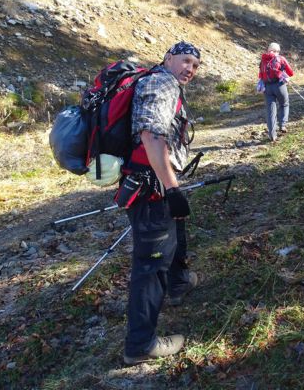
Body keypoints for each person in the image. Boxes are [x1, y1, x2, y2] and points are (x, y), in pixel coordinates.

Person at [122, 41, 201, 366]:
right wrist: (172, 189)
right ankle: (140, 345)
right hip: (150, 188)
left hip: (155, 183)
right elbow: (151, 136)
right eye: (185, 60)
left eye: (195, 65)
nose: (190, 69)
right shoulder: (160, 82)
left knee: (175, 232)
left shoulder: (164, 81)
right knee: (151, 265)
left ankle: (179, 283)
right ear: (168, 58)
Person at [258, 42, 294, 142]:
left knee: (270, 111)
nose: (278, 52)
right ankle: (282, 125)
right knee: (284, 104)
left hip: (267, 88)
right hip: (279, 86)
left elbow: (260, 75)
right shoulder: (281, 58)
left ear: (268, 50)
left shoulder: (263, 60)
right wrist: (283, 73)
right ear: (277, 51)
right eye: (277, 51)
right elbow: (291, 73)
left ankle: (272, 135)